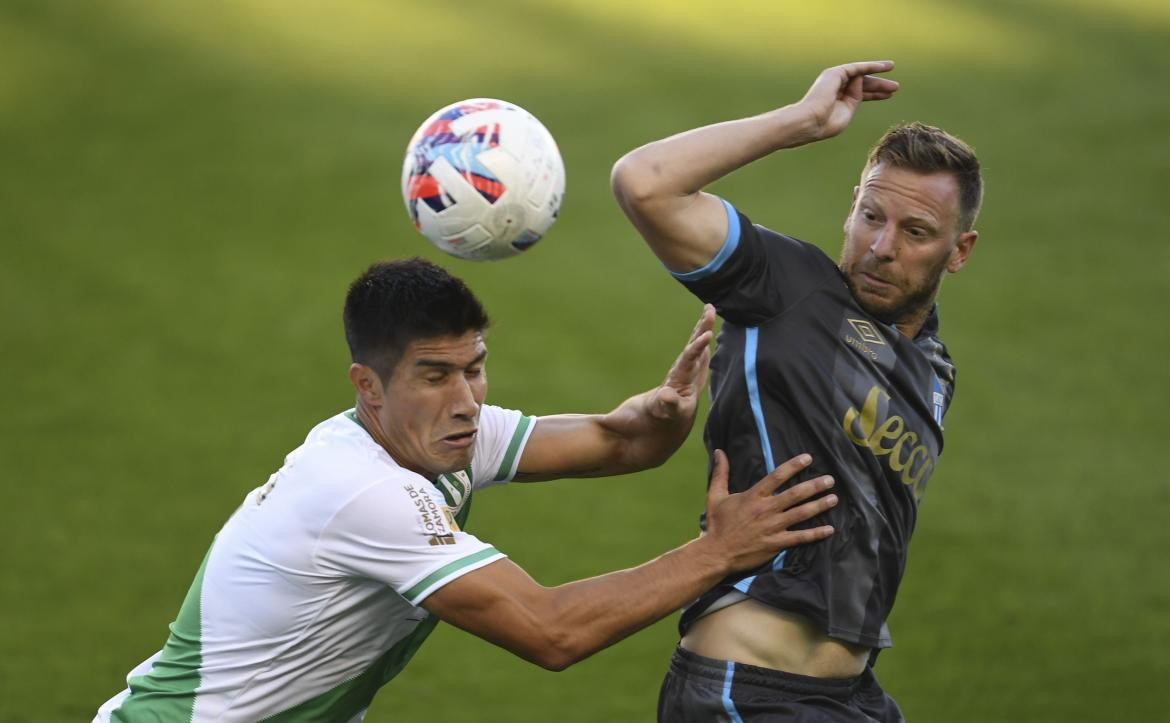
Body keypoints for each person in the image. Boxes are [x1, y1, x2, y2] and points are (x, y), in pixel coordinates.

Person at [94, 257, 840, 722]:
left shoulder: (443, 430)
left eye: (474, 366)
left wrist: (664, 411)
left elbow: (622, 441)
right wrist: (719, 551)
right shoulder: (362, 491)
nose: (466, 398)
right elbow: (551, 631)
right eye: (434, 374)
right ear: (368, 386)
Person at [611, 60, 982, 720]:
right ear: (851, 208)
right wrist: (799, 122)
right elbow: (644, 184)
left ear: (959, 251)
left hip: (851, 697)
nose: (880, 246)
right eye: (871, 215)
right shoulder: (786, 287)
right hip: (745, 691)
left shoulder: (934, 368)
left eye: (916, 232)